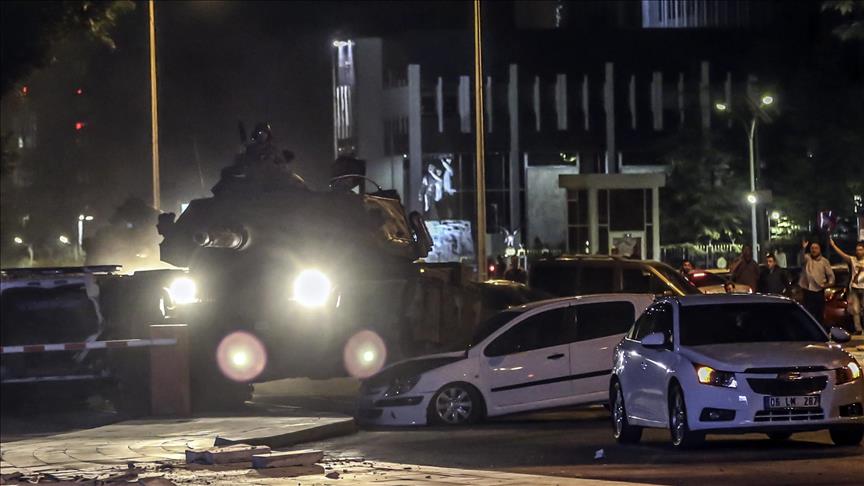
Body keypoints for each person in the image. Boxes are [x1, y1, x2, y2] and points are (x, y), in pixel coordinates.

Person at [829, 237, 864, 335]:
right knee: (855, 310)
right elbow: (842, 254)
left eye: (861, 250)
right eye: (857, 250)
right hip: (854, 288)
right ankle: (858, 329)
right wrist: (833, 245)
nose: (859, 252)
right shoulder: (853, 260)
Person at [800, 239, 835, 326]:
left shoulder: (824, 261)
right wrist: (803, 248)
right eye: (812, 248)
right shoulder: (807, 258)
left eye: (816, 248)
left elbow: (831, 276)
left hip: (819, 291)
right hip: (807, 291)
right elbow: (801, 258)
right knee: (808, 315)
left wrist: (827, 285)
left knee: (819, 315)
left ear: (820, 250)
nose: (814, 250)